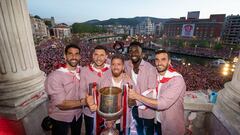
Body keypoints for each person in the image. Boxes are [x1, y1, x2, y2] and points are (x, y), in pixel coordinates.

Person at [128, 49, 186, 135]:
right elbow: (152, 93)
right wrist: (136, 102)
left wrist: (137, 96)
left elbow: (162, 104)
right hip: (158, 121)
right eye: (157, 60)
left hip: (171, 125)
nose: (159, 63)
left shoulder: (177, 79)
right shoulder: (156, 75)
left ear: (169, 61)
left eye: (163, 59)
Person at [87, 54, 136, 135]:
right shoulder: (104, 81)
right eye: (113, 64)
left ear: (123, 67)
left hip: (123, 121)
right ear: (110, 66)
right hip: (106, 121)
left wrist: (131, 100)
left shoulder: (129, 82)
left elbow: (133, 103)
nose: (115, 67)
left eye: (118, 64)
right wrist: (92, 103)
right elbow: (98, 101)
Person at [45, 44, 86, 135]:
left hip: (77, 115)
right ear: (65, 56)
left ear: (80, 56)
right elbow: (61, 104)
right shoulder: (55, 76)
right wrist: (84, 101)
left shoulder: (82, 71)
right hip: (60, 118)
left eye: (76, 54)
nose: (74, 57)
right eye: (70, 54)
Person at [124, 41, 157, 135]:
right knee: (138, 127)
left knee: (149, 130)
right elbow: (114, 62)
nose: (133, 53)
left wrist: (136, 101)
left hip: (148, 108)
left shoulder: (150, 69)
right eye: (131, 51)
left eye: (136, 51)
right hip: (135, 108)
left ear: (142, 54)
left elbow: (152, 92)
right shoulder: (126, 65)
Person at [80, 45, 111, 135]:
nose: (98, 58)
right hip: (90, 112)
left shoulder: (111, 69)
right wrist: (86, 101)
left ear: (106, 57)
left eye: (102, 55)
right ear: (92, 56)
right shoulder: (85, 71)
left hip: (107, 112)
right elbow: (81, 90)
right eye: (96, 54)